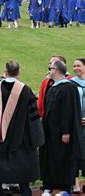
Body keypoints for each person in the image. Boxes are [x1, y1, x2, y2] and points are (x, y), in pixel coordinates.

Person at [0, 61, 43, 196]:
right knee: (23, 174)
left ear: (6, 72)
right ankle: (25, 190)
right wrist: (37, 138)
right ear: (18, 72)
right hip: (22, 139)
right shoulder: (26, 91)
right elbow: (34, 118)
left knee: (0, 169)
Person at [40, 60, 82, 195]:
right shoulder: (52, 87)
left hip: (62, 132)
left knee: (63, 157)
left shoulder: (68, 88)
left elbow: (68, 111)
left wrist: (66, 131)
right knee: (50, 156)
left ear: (57, 70)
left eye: (50, 68)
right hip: (50, 131)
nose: (49, 71)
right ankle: (49, 185)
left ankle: (65, 187)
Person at [71, 58, 85, 193]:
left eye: (79, 66)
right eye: (74, 66)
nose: (76, 68)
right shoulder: (71, 84)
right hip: (75, 125)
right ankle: (75, 183)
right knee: (74, 153)